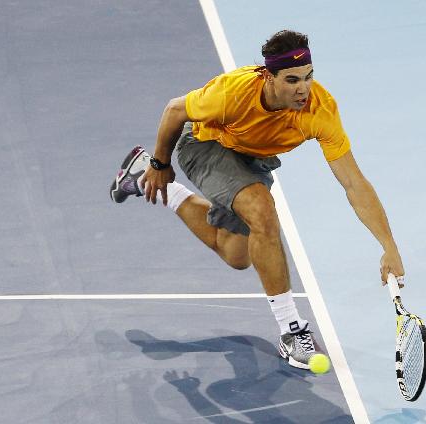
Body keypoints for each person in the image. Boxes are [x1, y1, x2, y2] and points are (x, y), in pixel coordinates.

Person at [110, 30, 405, 370]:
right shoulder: (233, 92)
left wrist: (389, 244)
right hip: (206, 146)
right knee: (262, 211)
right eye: (292, 80)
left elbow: (354, 182)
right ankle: (292, 331)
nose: (303, 89)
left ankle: (140, 173)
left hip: (253, 161)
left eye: (309, 77)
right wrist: (162, 164)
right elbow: (174, 110)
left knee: (236, 255)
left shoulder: (320, 110)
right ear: (269, 76)